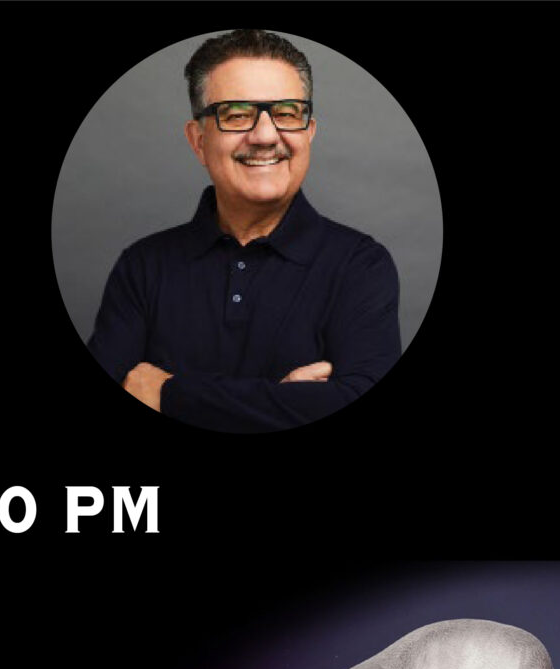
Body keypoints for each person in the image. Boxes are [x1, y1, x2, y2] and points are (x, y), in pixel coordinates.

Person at [88, 29, 401, 432]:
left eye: (288, 112)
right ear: (198, 141)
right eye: (236, 114)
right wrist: (284, 402)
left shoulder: (361, 266)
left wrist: (169, 393)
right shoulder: (142, 267)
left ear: (309, 132)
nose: (266, 135)